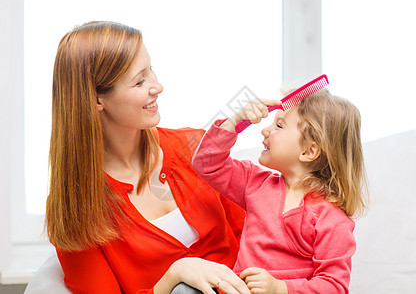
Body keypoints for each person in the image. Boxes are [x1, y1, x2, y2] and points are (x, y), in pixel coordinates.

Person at [45, 21, 250, 294]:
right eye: (139, 81)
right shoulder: (77, 205)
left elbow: (253, 237)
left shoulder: (196, 150)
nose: (158, 87)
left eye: (150, 70)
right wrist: (174, 274)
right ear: (96, 100)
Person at [192, 90, 368, 293]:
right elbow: (206, 163)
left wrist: (281, 288)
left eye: (279, 125)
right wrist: (237, 121)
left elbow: (334, 286)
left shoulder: (330, 219)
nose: (265, 131)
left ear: (308, 151)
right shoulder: (255, 183)